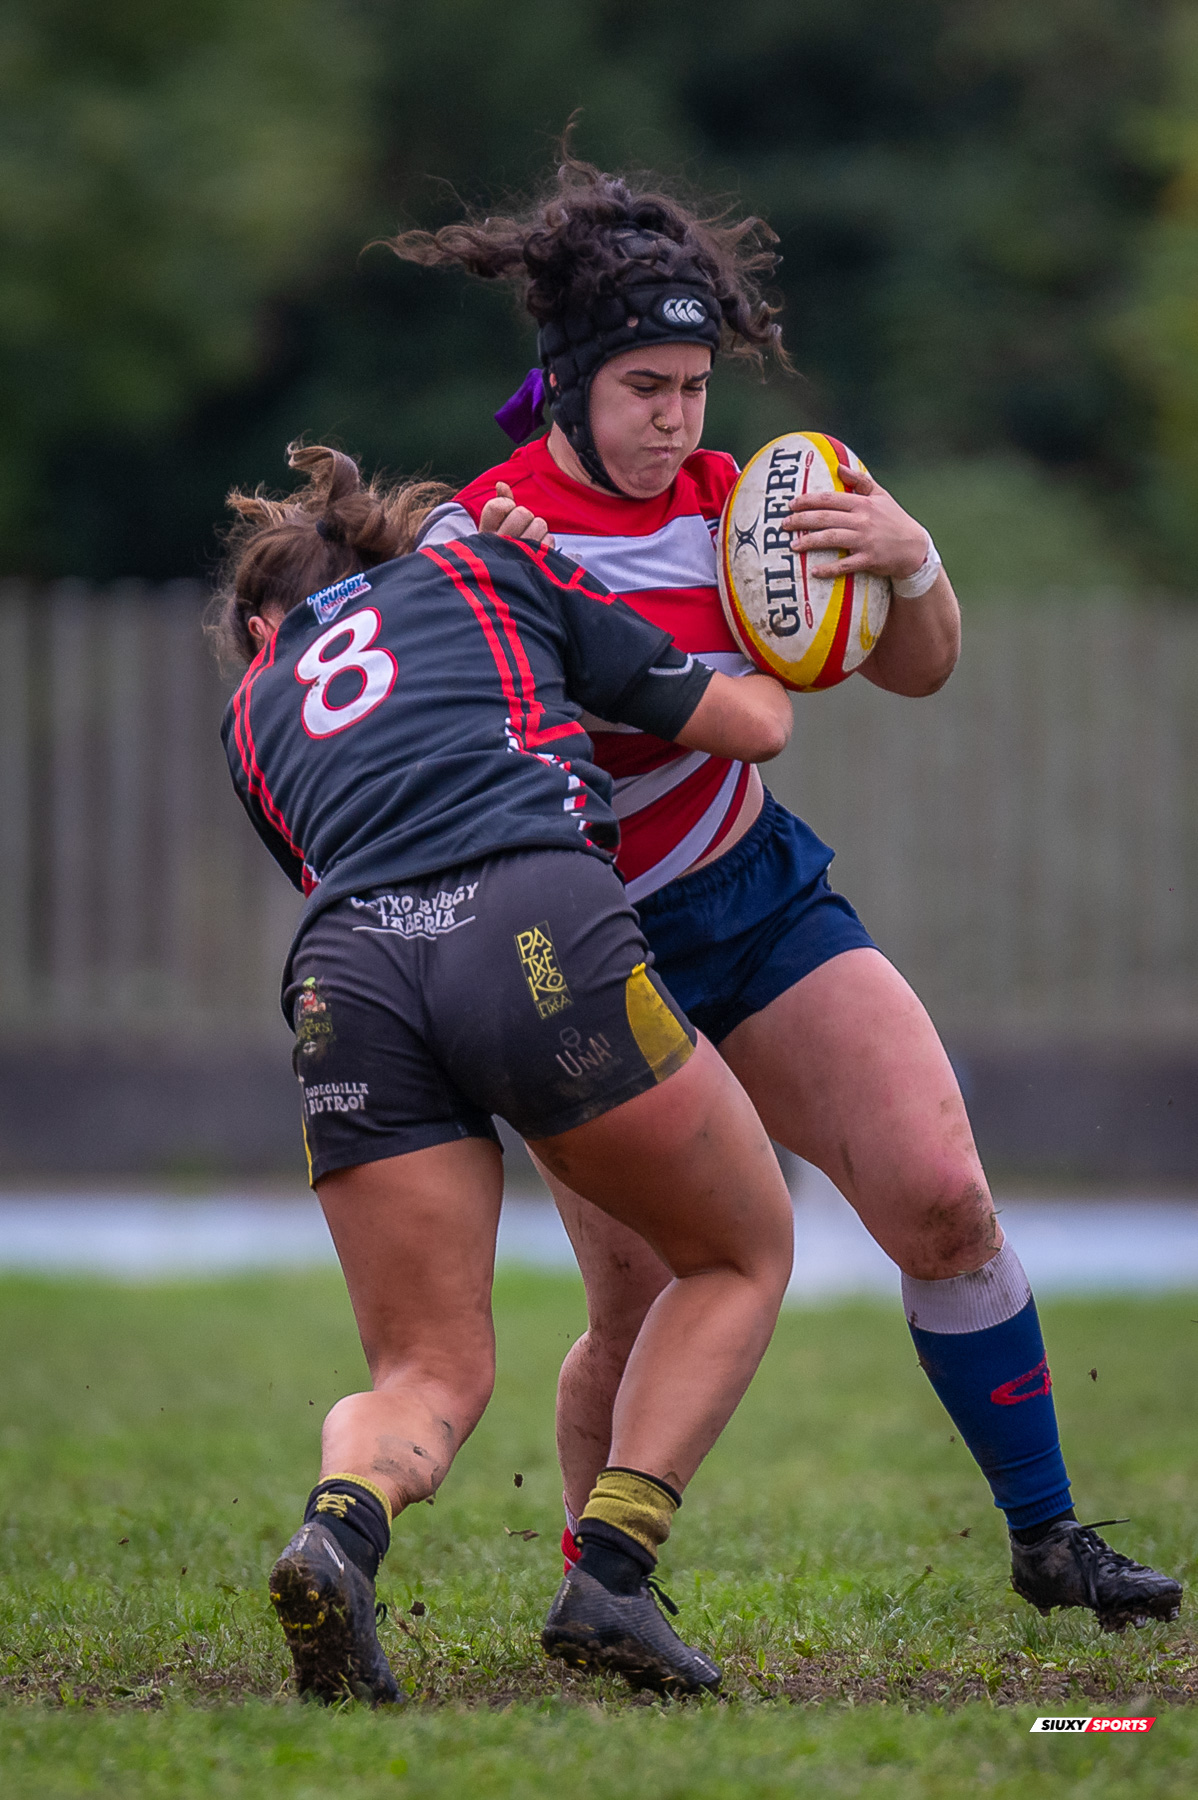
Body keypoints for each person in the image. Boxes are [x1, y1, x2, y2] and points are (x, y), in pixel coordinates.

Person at [385, 152, 1183, 1634]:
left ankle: (1047, 1535)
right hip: (583, 945)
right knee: (639, 1303)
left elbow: (918, 668)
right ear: (566, 383)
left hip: (750, 896)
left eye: (694, 388)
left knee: (942, 1197)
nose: (676, 419)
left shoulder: (750, 506)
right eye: (644, 389)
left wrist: (912, 562)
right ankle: (599, 1593)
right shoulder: (479, 534)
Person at [211, 441, 796, 1702]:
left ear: (267, 626)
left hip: (347, 977)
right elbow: (753, 725)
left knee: (424, 1372)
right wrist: (791, 629)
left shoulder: (250, 713)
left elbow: (335, 849)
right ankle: (613, 1572)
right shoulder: (485, 569)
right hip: (528, 926)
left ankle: (339, 1530)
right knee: (738, 1252)